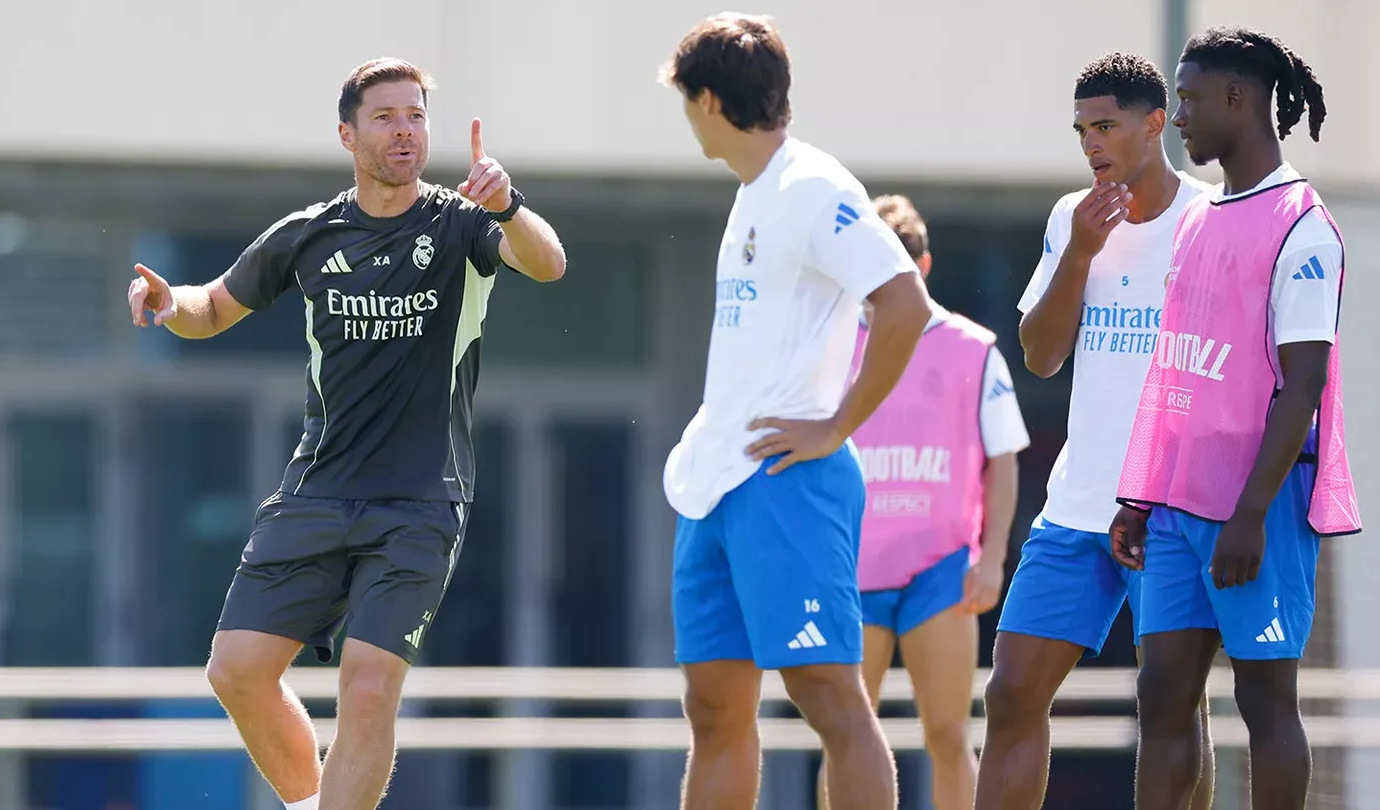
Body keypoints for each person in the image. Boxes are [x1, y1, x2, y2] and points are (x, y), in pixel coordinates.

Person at [125, 58, 566, 810]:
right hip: (318, 490)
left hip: (420, 503)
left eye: (417, 116)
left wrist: (509, 205)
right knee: (235, 669)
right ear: (348, 134)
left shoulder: (463, 224)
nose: (406, 131)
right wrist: (169, 305)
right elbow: (211, 311)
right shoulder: (308, 235)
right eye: (387, 117)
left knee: (366, 686)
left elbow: (548, 264)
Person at [659, 13, 932, 810]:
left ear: (708, 100)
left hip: (788, 478)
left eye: (684, 100)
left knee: (830, 701)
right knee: (712, 708)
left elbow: (904, 304)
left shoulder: (815, 185)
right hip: (715, 482)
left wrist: (837, 426)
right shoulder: (753, 194)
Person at [1113, 26, 1361, 809]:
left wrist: (1250, 514)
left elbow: (1304, 384)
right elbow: (1172, 367)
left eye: (1187, 99)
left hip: (1259, 510)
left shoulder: (1303, 225)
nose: (1176, 116)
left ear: (1237, 99)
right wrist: (1141, 491)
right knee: (1161, 697)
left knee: (1264, 704)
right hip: (1180, 508)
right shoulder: (1197, 217)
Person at [976, 52, 1217, 810]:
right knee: (1012, 692)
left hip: (1173, 509)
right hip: (1078, 505)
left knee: (1174, 707)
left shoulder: (1213, 219)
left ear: (1155, 124)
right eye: (1081, 130)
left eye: (1105, 126)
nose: (1091, 144)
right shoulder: (1069, 219)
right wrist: (1080, 252)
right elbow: (1042, 356)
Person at [815, 194, 1030, 810]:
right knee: (848, 734)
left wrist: (992, 559)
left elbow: (1004, 457)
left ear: (924, 267)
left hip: (941, 570)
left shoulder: (972, 348)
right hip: (853, 571)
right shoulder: (830, 348)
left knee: (948, 732)